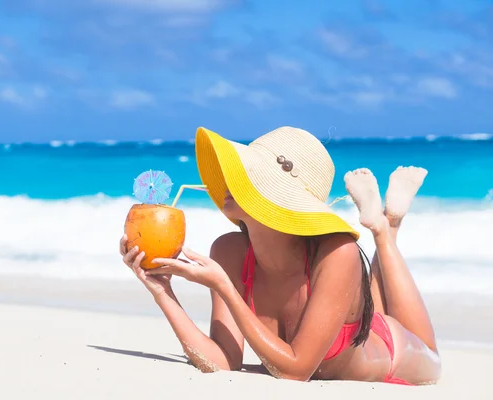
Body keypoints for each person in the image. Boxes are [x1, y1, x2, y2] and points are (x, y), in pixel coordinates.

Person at [119, 126, 441, 385]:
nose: (227, 178)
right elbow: (221, 362)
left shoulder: (337, 253)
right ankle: (384, 223)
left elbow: (294, 372)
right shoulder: (229, 252)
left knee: (433, 360)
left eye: (246, 174)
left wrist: (226, 289)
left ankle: (385, 233)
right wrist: (162, 289)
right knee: (363, 300)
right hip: (348, 310)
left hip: (388, 351)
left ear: (276, 198)